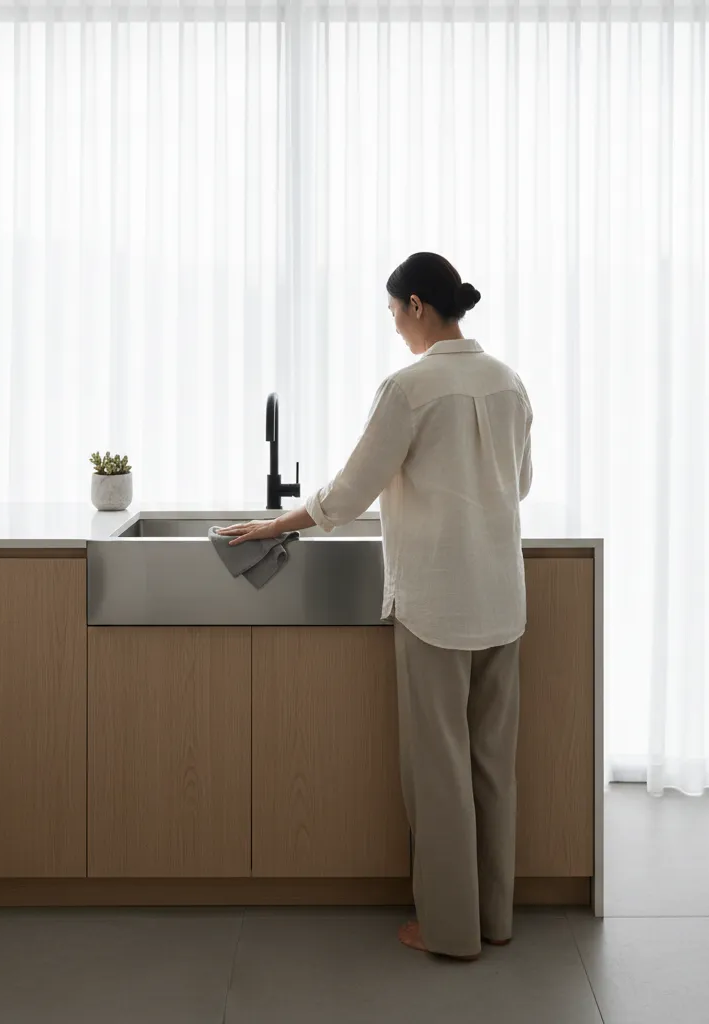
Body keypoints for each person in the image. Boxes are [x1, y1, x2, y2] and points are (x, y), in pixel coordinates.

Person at [220, 252, 533, 961]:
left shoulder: (410, 387)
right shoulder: (509, 383)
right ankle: (494, 917)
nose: (395, 328)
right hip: (502, 598)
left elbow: (353, 488)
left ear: (419, 306)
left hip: (437, 603)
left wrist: (275, 525)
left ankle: (449, 931)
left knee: (440, 766)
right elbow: (520, 481)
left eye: (395, 314)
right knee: (491, 761)